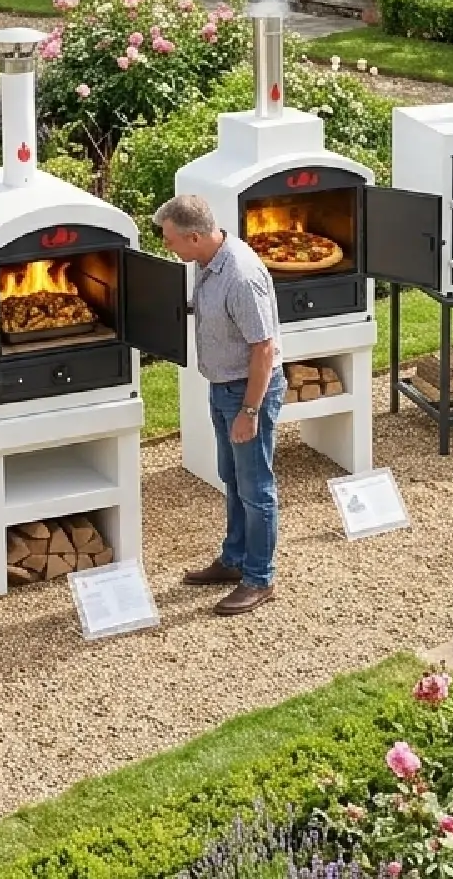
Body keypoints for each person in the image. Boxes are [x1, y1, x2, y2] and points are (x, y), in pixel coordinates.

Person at [154, 194, 286, 617]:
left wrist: (249, 412)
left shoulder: (241, 276)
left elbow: (263, 349)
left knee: (256, 487)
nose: (168, 247)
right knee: (232, 477)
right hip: (223, 387)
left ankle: (259, 578)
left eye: (171, 240)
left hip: (247, 392)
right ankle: (234, 560)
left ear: (195, 236)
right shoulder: (206, 262)